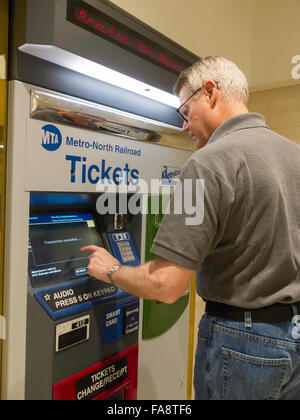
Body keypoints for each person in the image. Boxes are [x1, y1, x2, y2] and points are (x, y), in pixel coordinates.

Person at [81, 56, 300, 400]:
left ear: (210, 92)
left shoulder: (207, 163)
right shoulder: (294, 154)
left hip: (242, 344)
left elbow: (166, 285)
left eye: (185, 112)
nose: (184, 127)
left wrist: (110, 269)